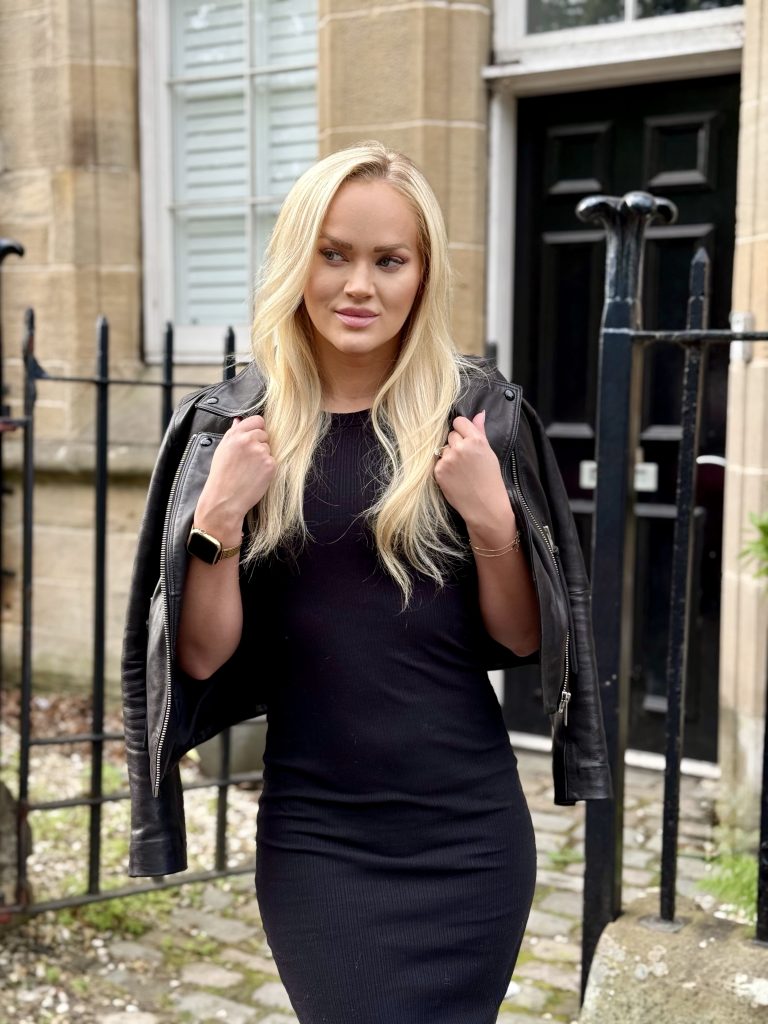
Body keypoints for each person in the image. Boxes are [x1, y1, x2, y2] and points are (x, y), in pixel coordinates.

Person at [121, 141, 610, 1024]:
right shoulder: (231, 428)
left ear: (423, 275)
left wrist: (491, 519)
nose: (359, 286)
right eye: (334, 254)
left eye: (390, 260)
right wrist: (218, 520)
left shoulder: (477, 418)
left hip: (468, 833)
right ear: (296, 261)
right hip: (318, 834)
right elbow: (198, 657)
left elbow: (520, 637)